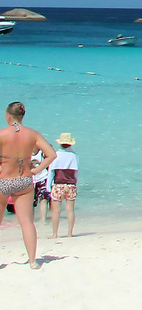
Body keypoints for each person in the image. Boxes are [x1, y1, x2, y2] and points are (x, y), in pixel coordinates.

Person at [0, 102, 55, 269]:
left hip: (3, 180)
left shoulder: (2, 134)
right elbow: (51, 155)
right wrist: (36, 170)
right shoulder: (32, 134)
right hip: (24, 180)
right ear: (22, 116)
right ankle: (32, 261)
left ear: (8, 116)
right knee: (27, 222)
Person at [47, 133, 77, 239]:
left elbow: (51, 172)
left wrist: (48, 186)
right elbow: (75, 172)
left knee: (56, 211)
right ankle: (70, 233)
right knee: (70, 209)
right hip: (71, 184)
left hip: (58, 184)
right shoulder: (74, 155)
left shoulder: (56, 155)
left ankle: (55, 234)